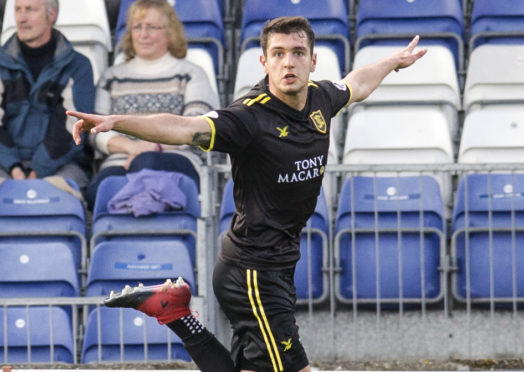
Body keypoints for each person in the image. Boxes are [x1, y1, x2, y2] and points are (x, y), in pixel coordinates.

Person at [68, 16, 426, 372]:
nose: (289, 62)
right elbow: (184, 128)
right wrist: (117, 121)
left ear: (313, 60)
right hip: (253, 272)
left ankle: (177, 314)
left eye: (298, 52)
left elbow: (356, 84)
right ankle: (177, 316)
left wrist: (392, 63)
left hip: (276, 265)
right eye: (279, 53)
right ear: (264, 61)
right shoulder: (248, 118)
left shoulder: (320, 98)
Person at [85, 0, 218, 209]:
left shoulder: (191, 74)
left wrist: (152, 149)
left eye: (152, 27)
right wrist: (133, 148)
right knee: (99, 190)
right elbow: (97, 131)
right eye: (137, 27)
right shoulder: (111, 78)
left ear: (170, 32)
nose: (143, 34)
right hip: (122, 163)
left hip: (176, 159)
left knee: (146, 166)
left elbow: (196, 129)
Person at [0, 0, 94, 189]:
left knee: (58, 197)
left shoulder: (78, 66)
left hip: (62, 166)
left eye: (30, 10)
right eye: (18, 10)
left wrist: (36, 172)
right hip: (4, 165)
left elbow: (72, 129)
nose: (22, 18)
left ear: (51, 15)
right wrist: (15, 168)